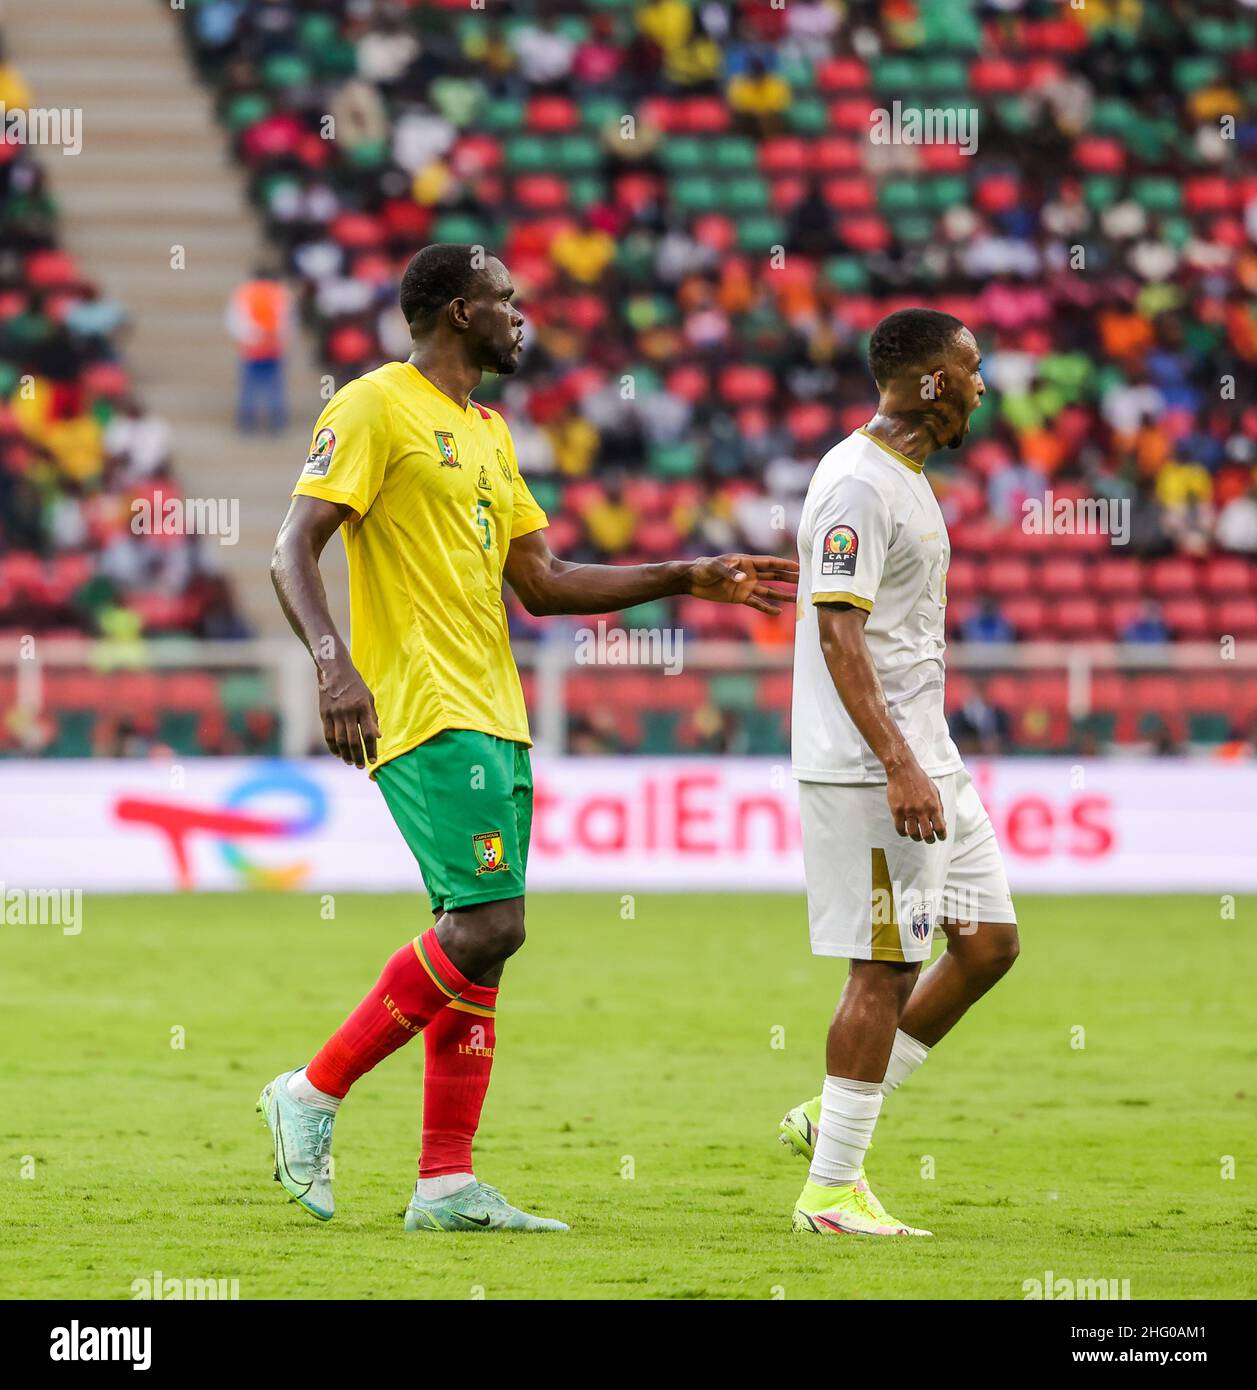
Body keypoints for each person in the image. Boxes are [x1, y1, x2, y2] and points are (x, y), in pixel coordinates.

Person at [262, 243, 797, 1233]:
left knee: (483, 944)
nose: (522, 314)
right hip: (426, 706)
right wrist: (332, 666)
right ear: (459, 311)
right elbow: (290, 545)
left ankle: (444, 1183)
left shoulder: (491, 432)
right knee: (490, 925)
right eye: (506, 299)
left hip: (498, 713)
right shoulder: (376, 405)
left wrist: (686, 574)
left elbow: (544, 585)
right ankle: (312, 1090)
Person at [780, 308, 1019, 1237]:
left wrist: (924, 762)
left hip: (930, 756)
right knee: (883, 964)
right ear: (929, 382)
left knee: (988, 943)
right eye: (970, 368)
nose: (981, 384)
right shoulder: (857, 486)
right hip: (875, 771)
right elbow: (837, 634)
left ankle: (830, 1110)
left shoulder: (906, 479)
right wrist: (897, 767)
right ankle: (830, 1192)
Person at [226, 265, 293, 433]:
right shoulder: (280, 293)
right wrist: (273, 335)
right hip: (270, 345)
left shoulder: (245, 293)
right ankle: (273, 421)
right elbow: (288, 320)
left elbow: (235, 320)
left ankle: (249, 421)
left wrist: (253, 335)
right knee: (271, 386)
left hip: (254, 346)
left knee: (253, 386)